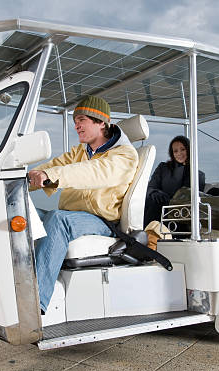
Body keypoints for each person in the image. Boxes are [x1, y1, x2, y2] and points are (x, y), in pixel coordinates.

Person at [28, 96, 139, 313]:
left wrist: (49, 175)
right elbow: (54, 165)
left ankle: (34, 306)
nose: (76, 125)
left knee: (58, 219)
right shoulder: (80, 152)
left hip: (102, 221)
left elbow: (92, 172)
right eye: (75, 121)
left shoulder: (124, 155)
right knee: (23, 212)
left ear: (100, 122)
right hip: (73, 216)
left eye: (81, 120)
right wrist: (20, 181)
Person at [143, 135, 205, 226]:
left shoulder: (197, 174)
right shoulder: (163, 167)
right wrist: (155, 192)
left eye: (183, 149)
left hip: (178, 214)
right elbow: (151, 187)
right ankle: (146, 233)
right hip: (156, 206)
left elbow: (187, 198)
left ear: (189, 149)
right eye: (175, 151)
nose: (179, 153)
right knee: (150, 201)